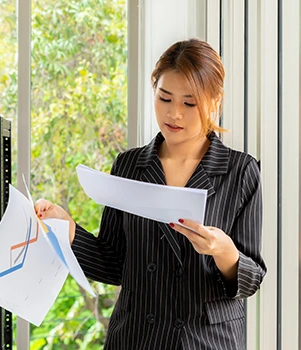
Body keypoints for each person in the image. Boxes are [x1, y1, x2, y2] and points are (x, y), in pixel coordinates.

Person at [35, 38, 266, 350]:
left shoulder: (240, 171)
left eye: (189, 103)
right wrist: (68, 228)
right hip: (136, 337)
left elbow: (251, 279)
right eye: (164, 98)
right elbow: (114, 263)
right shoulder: (130, 165)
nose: (174, 114)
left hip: (206, 341)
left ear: (215, 101)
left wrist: (223, 251)